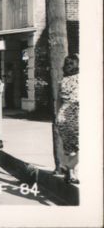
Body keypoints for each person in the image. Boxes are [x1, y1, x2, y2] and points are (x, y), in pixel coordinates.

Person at [57, 54, 79, 184]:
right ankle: (68, 167)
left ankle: (71, 176)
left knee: (70, 148)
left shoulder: (62, 82)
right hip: (76, 115)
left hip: (62, 115)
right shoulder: (81, 79)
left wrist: (58, 117)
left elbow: (58, 102)